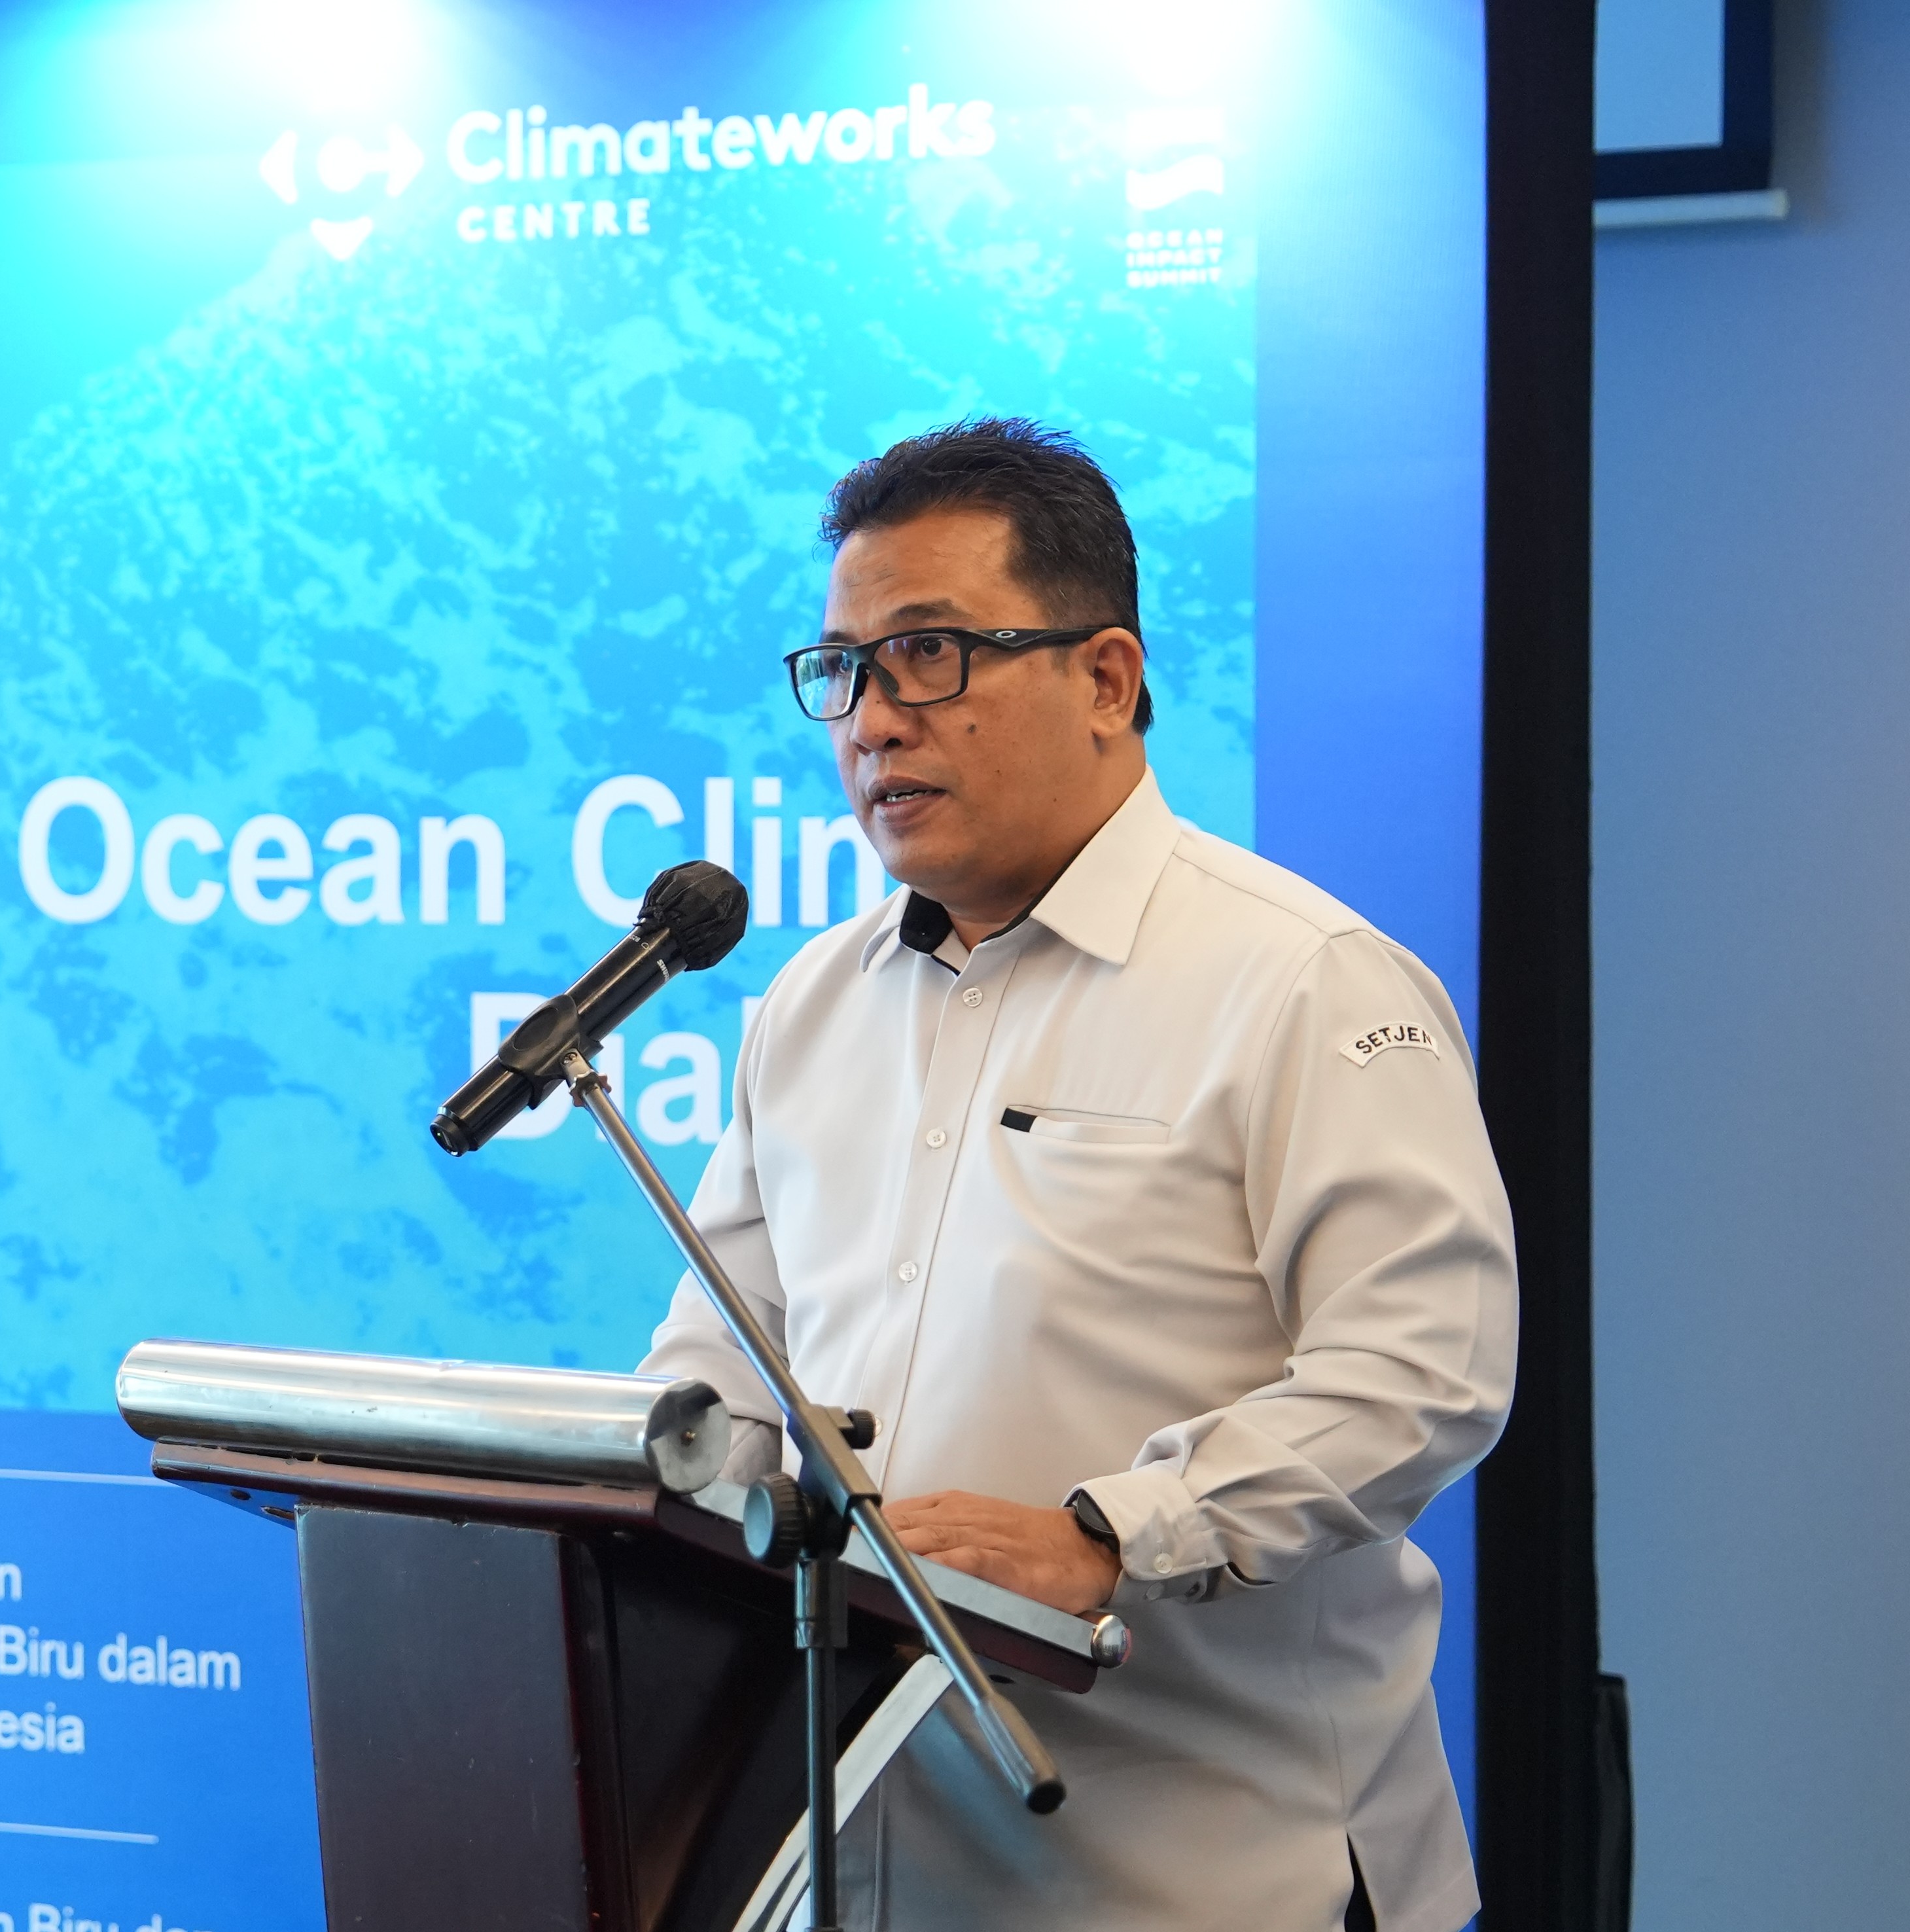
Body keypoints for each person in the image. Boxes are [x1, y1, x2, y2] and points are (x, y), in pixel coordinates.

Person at [639, 417, 1516, 1931]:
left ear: (1107, 679)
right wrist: (665, 1487)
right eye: (842, 670)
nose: (872, 721)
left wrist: (1116, 1533)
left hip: (1219, 1873)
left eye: (928, 656)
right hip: (871, 1866)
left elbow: (1423, 1373)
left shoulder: (1302, 979)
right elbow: (722, 1362)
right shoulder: (810, 1006)